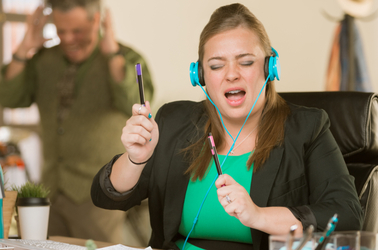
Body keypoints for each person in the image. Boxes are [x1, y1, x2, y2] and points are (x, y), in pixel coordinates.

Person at [91, 3, 362, 250]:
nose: (232, 74)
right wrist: (135, 160)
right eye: (217, 65)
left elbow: (347, 214)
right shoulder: (173, 121)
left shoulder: (307, 128)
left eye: (246, 62)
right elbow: (107, 198)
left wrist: (257, 215)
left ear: (270, 67)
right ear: (200, 76)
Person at [0, 0, 154, 244]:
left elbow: (136, 102)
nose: (68, 39)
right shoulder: (44, 60)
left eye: (77, 31)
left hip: (98, 195)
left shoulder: (124, 58)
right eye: (61, 31)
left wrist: (112, 52)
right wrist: (25, 47)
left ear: (96, 21)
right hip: (50, 190)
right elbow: (8, 96)